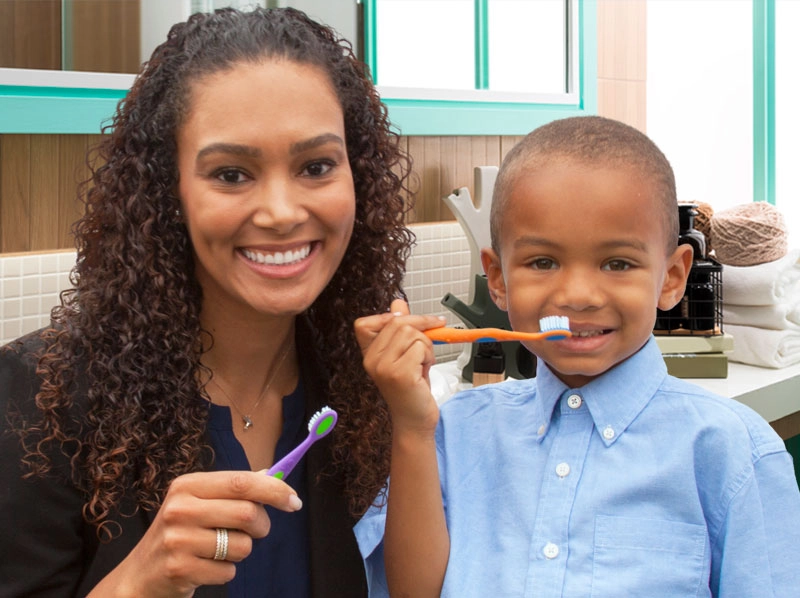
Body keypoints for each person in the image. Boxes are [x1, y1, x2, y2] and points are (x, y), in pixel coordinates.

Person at [0, 7, 412, 597]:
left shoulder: (358, 389)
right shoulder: (41, 399)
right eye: (231, 174)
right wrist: (138, 583)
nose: (281, 212)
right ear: (170, 192)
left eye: (316, 167)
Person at [354, 116, 800, 597]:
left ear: (672, 278)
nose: (579, 295)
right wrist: (412, 427)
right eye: (543, 262)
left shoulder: (733, 452)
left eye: (617, 263)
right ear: (498, 279)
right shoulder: (446, 434)